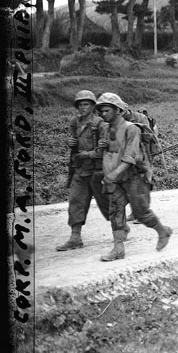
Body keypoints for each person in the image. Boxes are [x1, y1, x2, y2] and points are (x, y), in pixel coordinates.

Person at [95, 93, 172, 261]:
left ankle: (162, 231)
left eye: (107, 110)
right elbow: (107, 154)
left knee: (141, 212)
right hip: (116, 178)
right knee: (115, 210)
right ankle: (118, 248)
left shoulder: (132, 129)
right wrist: (101, 148)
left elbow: (131, 157)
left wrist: (114, 173)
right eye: (100, 111)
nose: (103, 114)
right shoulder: (105, 129)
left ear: (117, 110)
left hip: (134, 176)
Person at [56, 89, 113, 252]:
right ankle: (75, 237)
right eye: (80, 104)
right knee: (76, 201)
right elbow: (74, 145)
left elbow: (104, 149)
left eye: (86, 104)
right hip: (80, 170)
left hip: (97, 171)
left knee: (107, 203)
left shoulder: (101, 124)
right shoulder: (75, 122)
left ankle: (120, 227)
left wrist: (86, 154)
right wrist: (71, 143)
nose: (83, 107)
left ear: (93, 106)